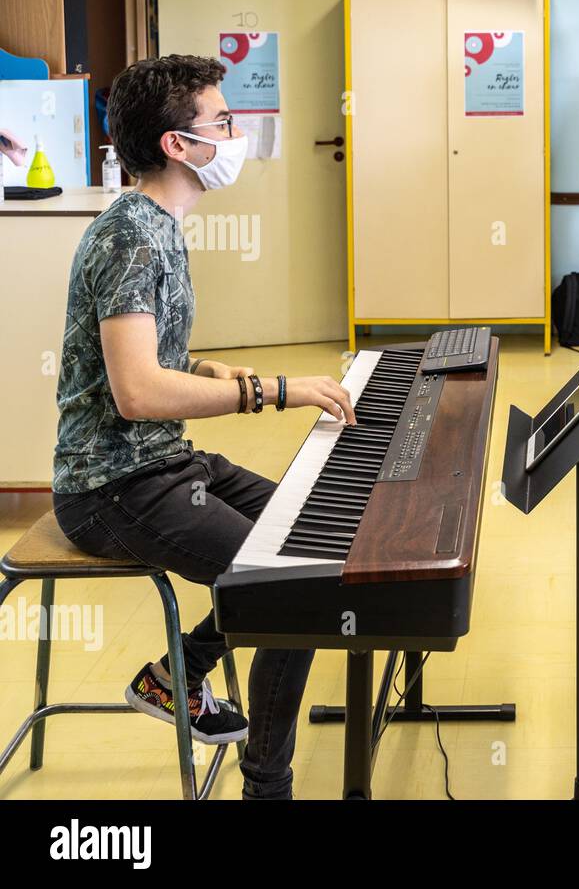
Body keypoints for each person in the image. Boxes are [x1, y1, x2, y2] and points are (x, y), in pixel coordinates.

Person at [49, 55, 359, 796]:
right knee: (290, 592)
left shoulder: (157, 224)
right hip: (111, 486)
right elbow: (138, 392)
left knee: (317, 534)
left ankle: (177, 676)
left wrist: (217, 370)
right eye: (220, 122)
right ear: (176, 146)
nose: (235, 133)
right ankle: (266, 785)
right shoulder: (131, 236)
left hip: (161, 465)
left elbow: (155, 356)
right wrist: (273, 390)